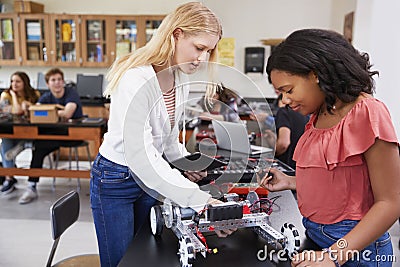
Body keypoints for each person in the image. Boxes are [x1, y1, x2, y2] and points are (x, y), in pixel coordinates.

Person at [90, 3, 234, 267]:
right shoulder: (136, 79)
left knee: (146, 253)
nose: (202, 58)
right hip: (116, 179)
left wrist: (185, 163)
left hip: (149, 179)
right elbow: (140, 155)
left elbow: (167, 139)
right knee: (122, 261)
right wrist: (199, 200)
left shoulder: (178, 77)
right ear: (176, 35)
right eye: (199, 48)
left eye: (209, 51)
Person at [258, 29, 400, 266]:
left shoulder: (368, 113)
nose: (284, 101)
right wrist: (291, 181)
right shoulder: (320, 114)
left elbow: (390, 203)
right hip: (316, 237)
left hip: (356, 249)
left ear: (315, 75)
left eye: (288, 90)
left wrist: (334, 255)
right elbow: (339, 179)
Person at [18, 68, 83, 204]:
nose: (57, 83)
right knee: (39, 149)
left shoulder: (72, 93)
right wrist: (52, 111)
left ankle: (25, 145)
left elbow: (68, 113)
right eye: (53, 80)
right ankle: (31, 187)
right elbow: (35, 111)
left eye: (59, 79)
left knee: (38, 145)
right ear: (48, 84)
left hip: (73, 135)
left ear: (63, 82)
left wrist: (48, 112)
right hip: (53, 135)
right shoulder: (46, 96)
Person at [0, 71, 40, 194]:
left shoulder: (35, 94)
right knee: (4, 143)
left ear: (25, 82)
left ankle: (23, 144)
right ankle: (9, 178)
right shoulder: (6, 95)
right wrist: (14, 96)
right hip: (12, 130)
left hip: (31, 130)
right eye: (12, 81)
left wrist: (26, 106)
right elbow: (16, 111)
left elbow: (37, 110)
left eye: (17, 81)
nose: (14, 84)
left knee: (31, 139)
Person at [250, 93, 309, 169]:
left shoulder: (284, 112)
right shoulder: (306, 114)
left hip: (287, 167)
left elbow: (283, 144)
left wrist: (273, 154)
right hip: (301, 167)